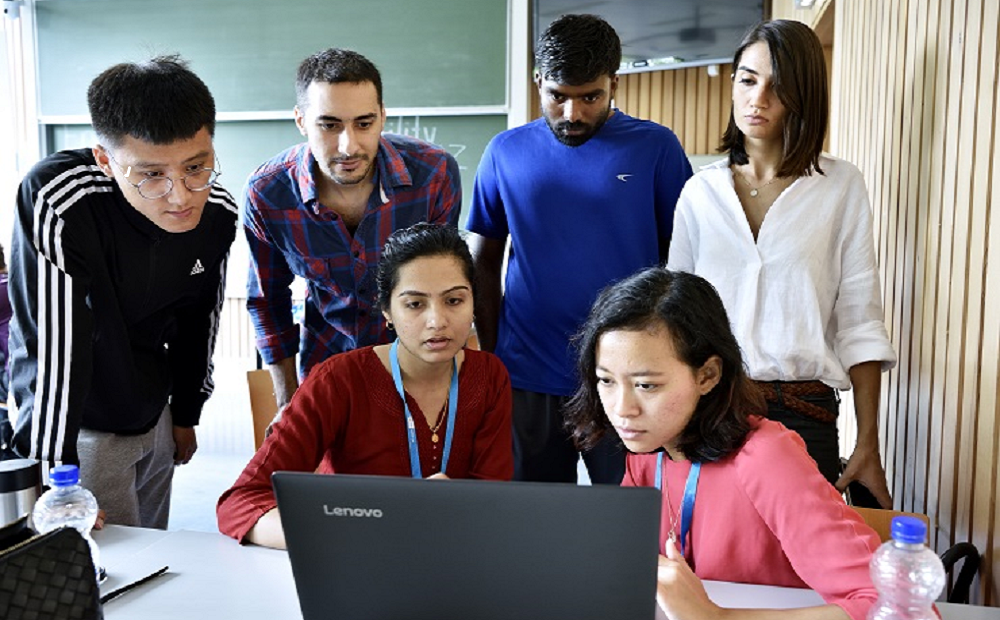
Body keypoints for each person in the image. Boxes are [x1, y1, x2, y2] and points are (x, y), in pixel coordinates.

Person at [666, 20, 897, 508]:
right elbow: (675, 321)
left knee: (800, 574)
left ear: (804, 95)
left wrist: (869, 443)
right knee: (715, 566)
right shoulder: (699, 193)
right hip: (711, 409)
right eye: (748, 80)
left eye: (778, 86)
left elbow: (860, 321)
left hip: (804, 415)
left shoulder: (841, 187)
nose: (758, 98)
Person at [565, 268, 880, 620]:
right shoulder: (647, 453)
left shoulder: (766, 457)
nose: (622, 409)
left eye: (646, 386)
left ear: (708, 375)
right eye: (606, 381)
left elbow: (893, 608)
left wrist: (719, 618)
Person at [7, 56, 238, 529]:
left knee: (153, 550)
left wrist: (186, 412)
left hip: (154, 408)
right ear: (105, 160)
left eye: (197, 166)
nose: (181, 195)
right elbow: (51, 343)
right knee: (99, 569)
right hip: (80, 422)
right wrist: (53, 475)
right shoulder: (59, 197)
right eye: (151, 175)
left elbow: (200, 320)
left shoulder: (216, 212)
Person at [466, 14, 692, 484]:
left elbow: (683, 264)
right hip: (527, 376)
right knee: (531, 525)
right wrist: (493, 358)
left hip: (630, 379)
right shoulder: (504, 152)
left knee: (628, 523)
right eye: (558, 97)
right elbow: (482, 261)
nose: (573, 114)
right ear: (538, 82)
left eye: (590, 97)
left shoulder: (656, 148)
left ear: (614, 83)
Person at [218, 224, 513, 548]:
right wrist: (345, 535)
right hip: (351, 559)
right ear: (387, 310)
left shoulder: (489, 376)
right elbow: (241, 502)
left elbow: (492, 500)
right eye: (415, 304)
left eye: (454, 300)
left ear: (473, 301)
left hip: (451, 560)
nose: (437, 321)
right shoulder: (337, 380)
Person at [245, 48, 462, 414]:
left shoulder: (433, 175)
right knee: (329, 471)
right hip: (326, 364)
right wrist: (287, 398)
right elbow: (267, 300)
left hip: (417, 366)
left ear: (382, 117)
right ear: (301, 121)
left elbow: (441, 289)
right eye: (329, 125)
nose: (349, 146)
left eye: (364, 123)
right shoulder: (268, 193)